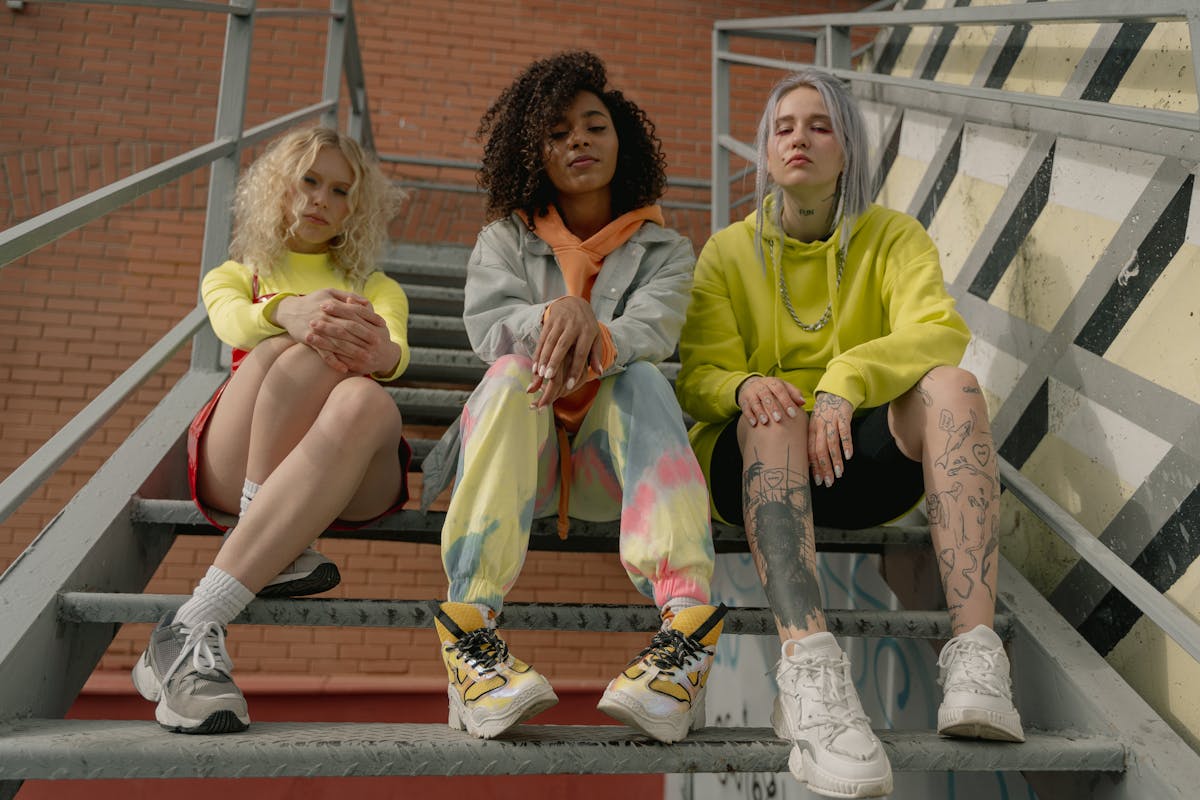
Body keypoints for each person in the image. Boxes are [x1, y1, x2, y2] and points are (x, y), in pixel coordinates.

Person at [676, 69, 1023, 798]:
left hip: (857, 463)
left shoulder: (894, 237)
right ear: (767, 156)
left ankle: (975, 654)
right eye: (782, 127)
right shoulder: (727, 252)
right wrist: (745, 387)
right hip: (751, 464)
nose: (798, 137)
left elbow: (940, 333)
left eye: (819, 124)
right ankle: (810, 681)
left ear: (849, 152)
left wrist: (846, 379)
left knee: (953, 386)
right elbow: (698, 375)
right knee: (774, 412)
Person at [419, 51, 724, 743]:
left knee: (643, 375)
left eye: (595, 126)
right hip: (517, 460)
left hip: (606, 470)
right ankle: (470, 638)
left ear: (624, 142)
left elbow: (655, 331)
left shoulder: (666, 249)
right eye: (557, 133)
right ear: (534, 152)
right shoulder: (503, 238)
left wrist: (596, 337)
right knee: (504, 373)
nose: (579, 140)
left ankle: (684, 642)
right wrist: (562, 314)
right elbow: (487, 325)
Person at [131, 127, 410, 734]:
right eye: (309, 181)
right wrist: (287, 310)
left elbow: (395, 353)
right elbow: (231, 323)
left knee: (368, 398)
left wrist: (375, 350)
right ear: (277, 187)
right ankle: (249, 564)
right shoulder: (237, 271)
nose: (322, 200)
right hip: (240, 456)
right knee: (297, 343)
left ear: (356, 208)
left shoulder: (379, 287)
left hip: (345, 467)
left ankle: (186, 630)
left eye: (341, 191)